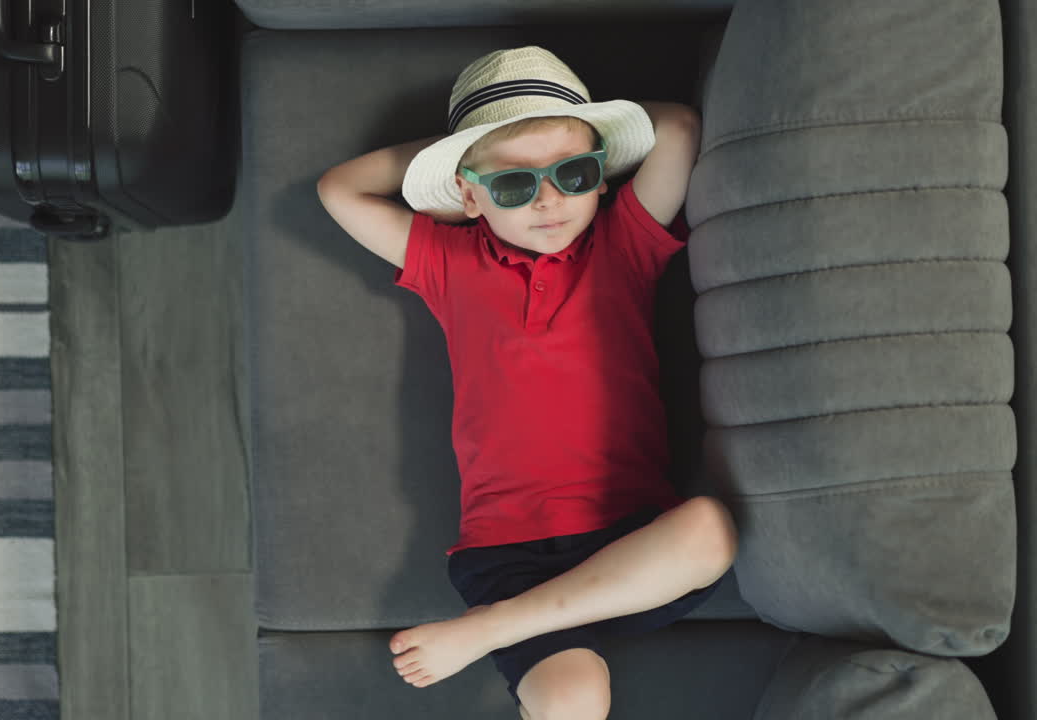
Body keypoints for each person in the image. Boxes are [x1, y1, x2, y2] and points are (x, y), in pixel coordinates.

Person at [316, 45, 739, 720]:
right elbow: (339, 189)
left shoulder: (621, 244)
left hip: (629, 542)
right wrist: (464, 153)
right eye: (514, 186)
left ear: (601, 177)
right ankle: (516, 621)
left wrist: (563, 137)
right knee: (573, 701)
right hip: (507, 553)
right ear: (469, 196)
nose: (547, 200)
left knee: (712, 526)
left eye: (572, 173)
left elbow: (679, 129)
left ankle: (496, 628)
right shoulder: (449, 261)